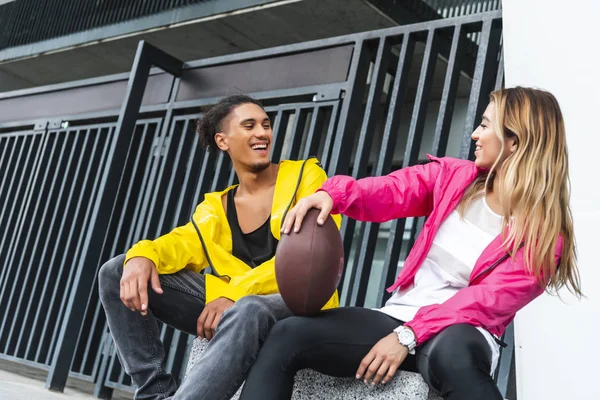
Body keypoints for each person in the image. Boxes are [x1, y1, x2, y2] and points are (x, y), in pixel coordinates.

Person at [238, 87, 582, 400]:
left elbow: (481, 302)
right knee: (288, 334)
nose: (475, 134)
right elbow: (393, 190)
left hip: (458, 333)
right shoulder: (453, 178)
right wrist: (334, 194)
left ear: (516, 143)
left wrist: (409, 336)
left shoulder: (544, 237)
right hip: (398, 317)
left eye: (485, 125)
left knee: (454, 356)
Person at [98, 94, 339, 400]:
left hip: (298, 301)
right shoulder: (216, 206)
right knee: (116, 270)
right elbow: (183, 242)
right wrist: (142, 255)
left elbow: (311, 259)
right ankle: (153, 393)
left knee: (249, 308)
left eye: (265, 125)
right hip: (229, 304)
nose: (262, 133)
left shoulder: (307, 177)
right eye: (249, 125)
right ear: (223, 140)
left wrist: (235, 295)